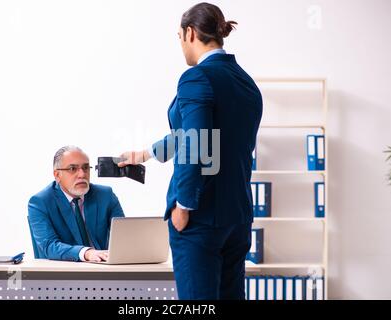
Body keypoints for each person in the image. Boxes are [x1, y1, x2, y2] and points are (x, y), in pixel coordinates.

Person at [118, 2, 262, 299]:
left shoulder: (196, 77)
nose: (181, 45)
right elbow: (204, 135)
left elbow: (196, 142)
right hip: (237, 217)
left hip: (200, 219)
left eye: (180, 37)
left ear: (190, 32)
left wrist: (183, 205)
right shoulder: (246, 83)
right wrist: (144, 154)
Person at [28, 146, 124, 262]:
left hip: (102, 269)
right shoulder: (40, 202)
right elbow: (49, 246)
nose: (82, 174)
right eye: (73, 169)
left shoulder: (105, 195)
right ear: (57, 175)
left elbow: (124, 235)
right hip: (63, 272)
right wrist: (86, 253)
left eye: (85, 168)